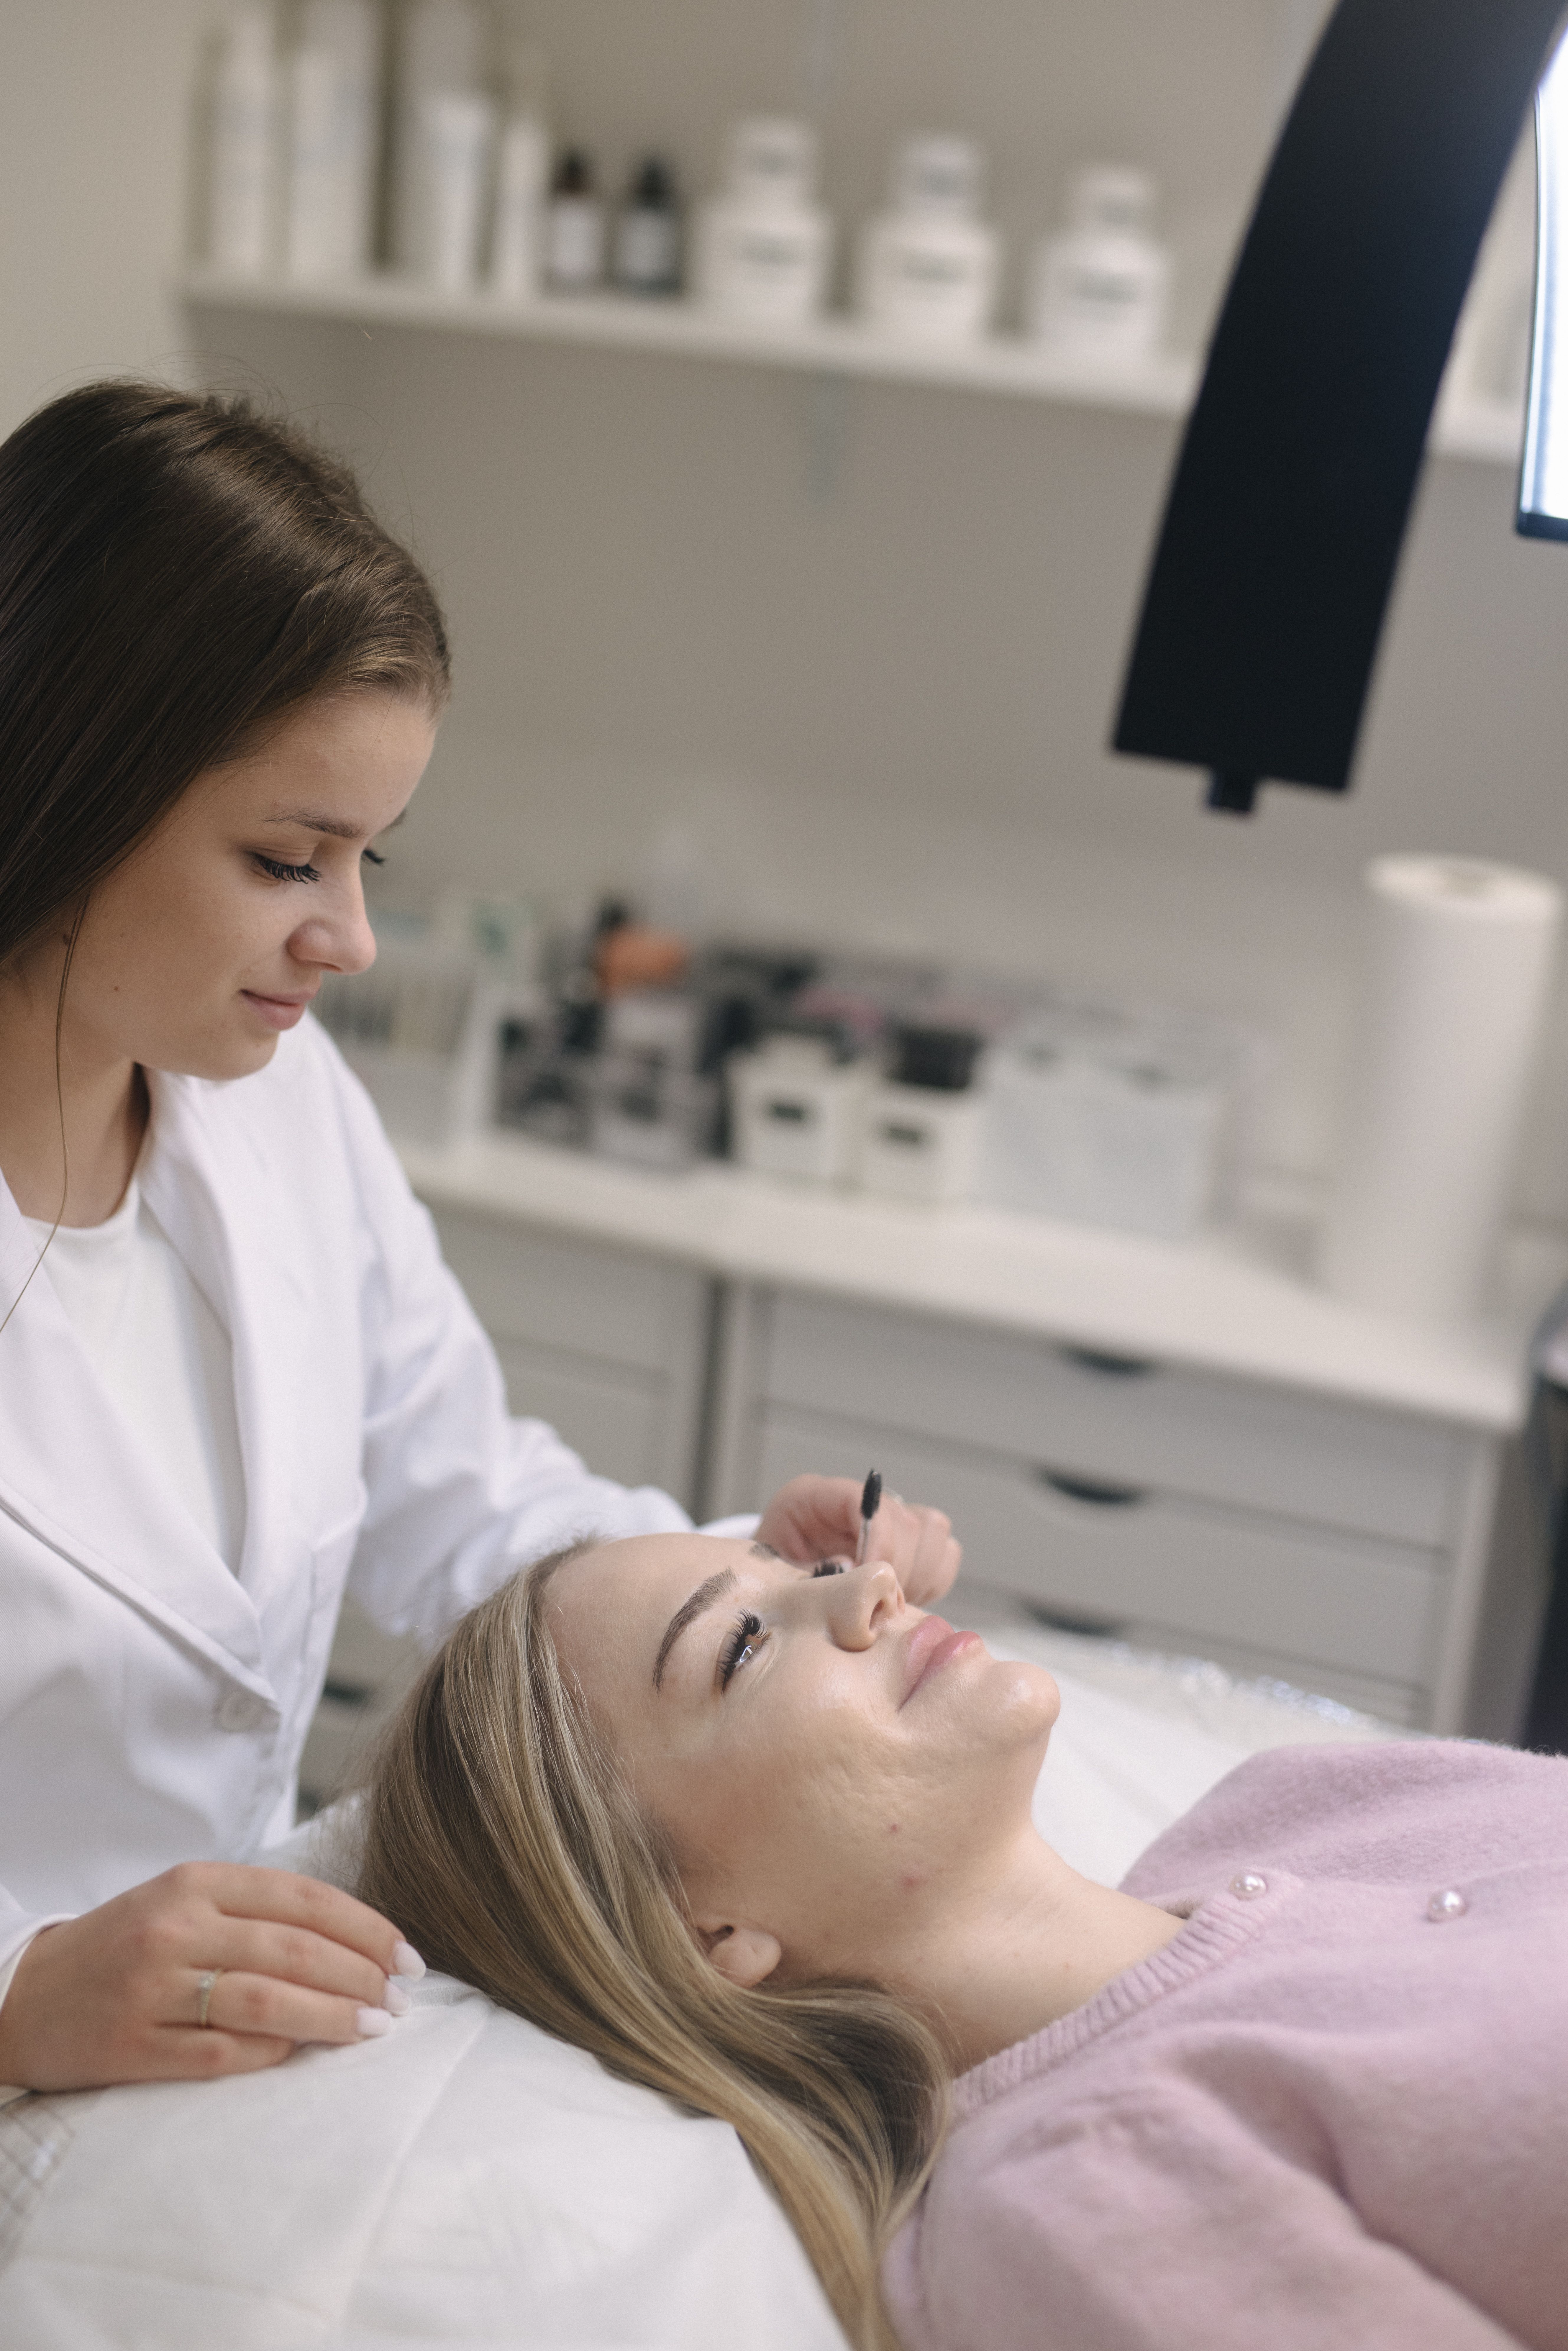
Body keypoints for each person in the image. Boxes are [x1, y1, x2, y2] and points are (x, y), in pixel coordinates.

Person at [0, 382, 960, 2100]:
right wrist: (15, 1991)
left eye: (370, 856)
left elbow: (465, 1501)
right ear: (56, 781)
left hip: (223, 2068)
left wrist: (743, 1588)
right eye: (288, 858)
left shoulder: (274, 1104)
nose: (353, 937)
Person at [359, 1529, 1568, 2351]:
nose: (869, 1585)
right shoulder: (1071, 2205)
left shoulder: (1305, 1801)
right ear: (704, 1930)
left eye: (807, 1565)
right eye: (743, 1644)